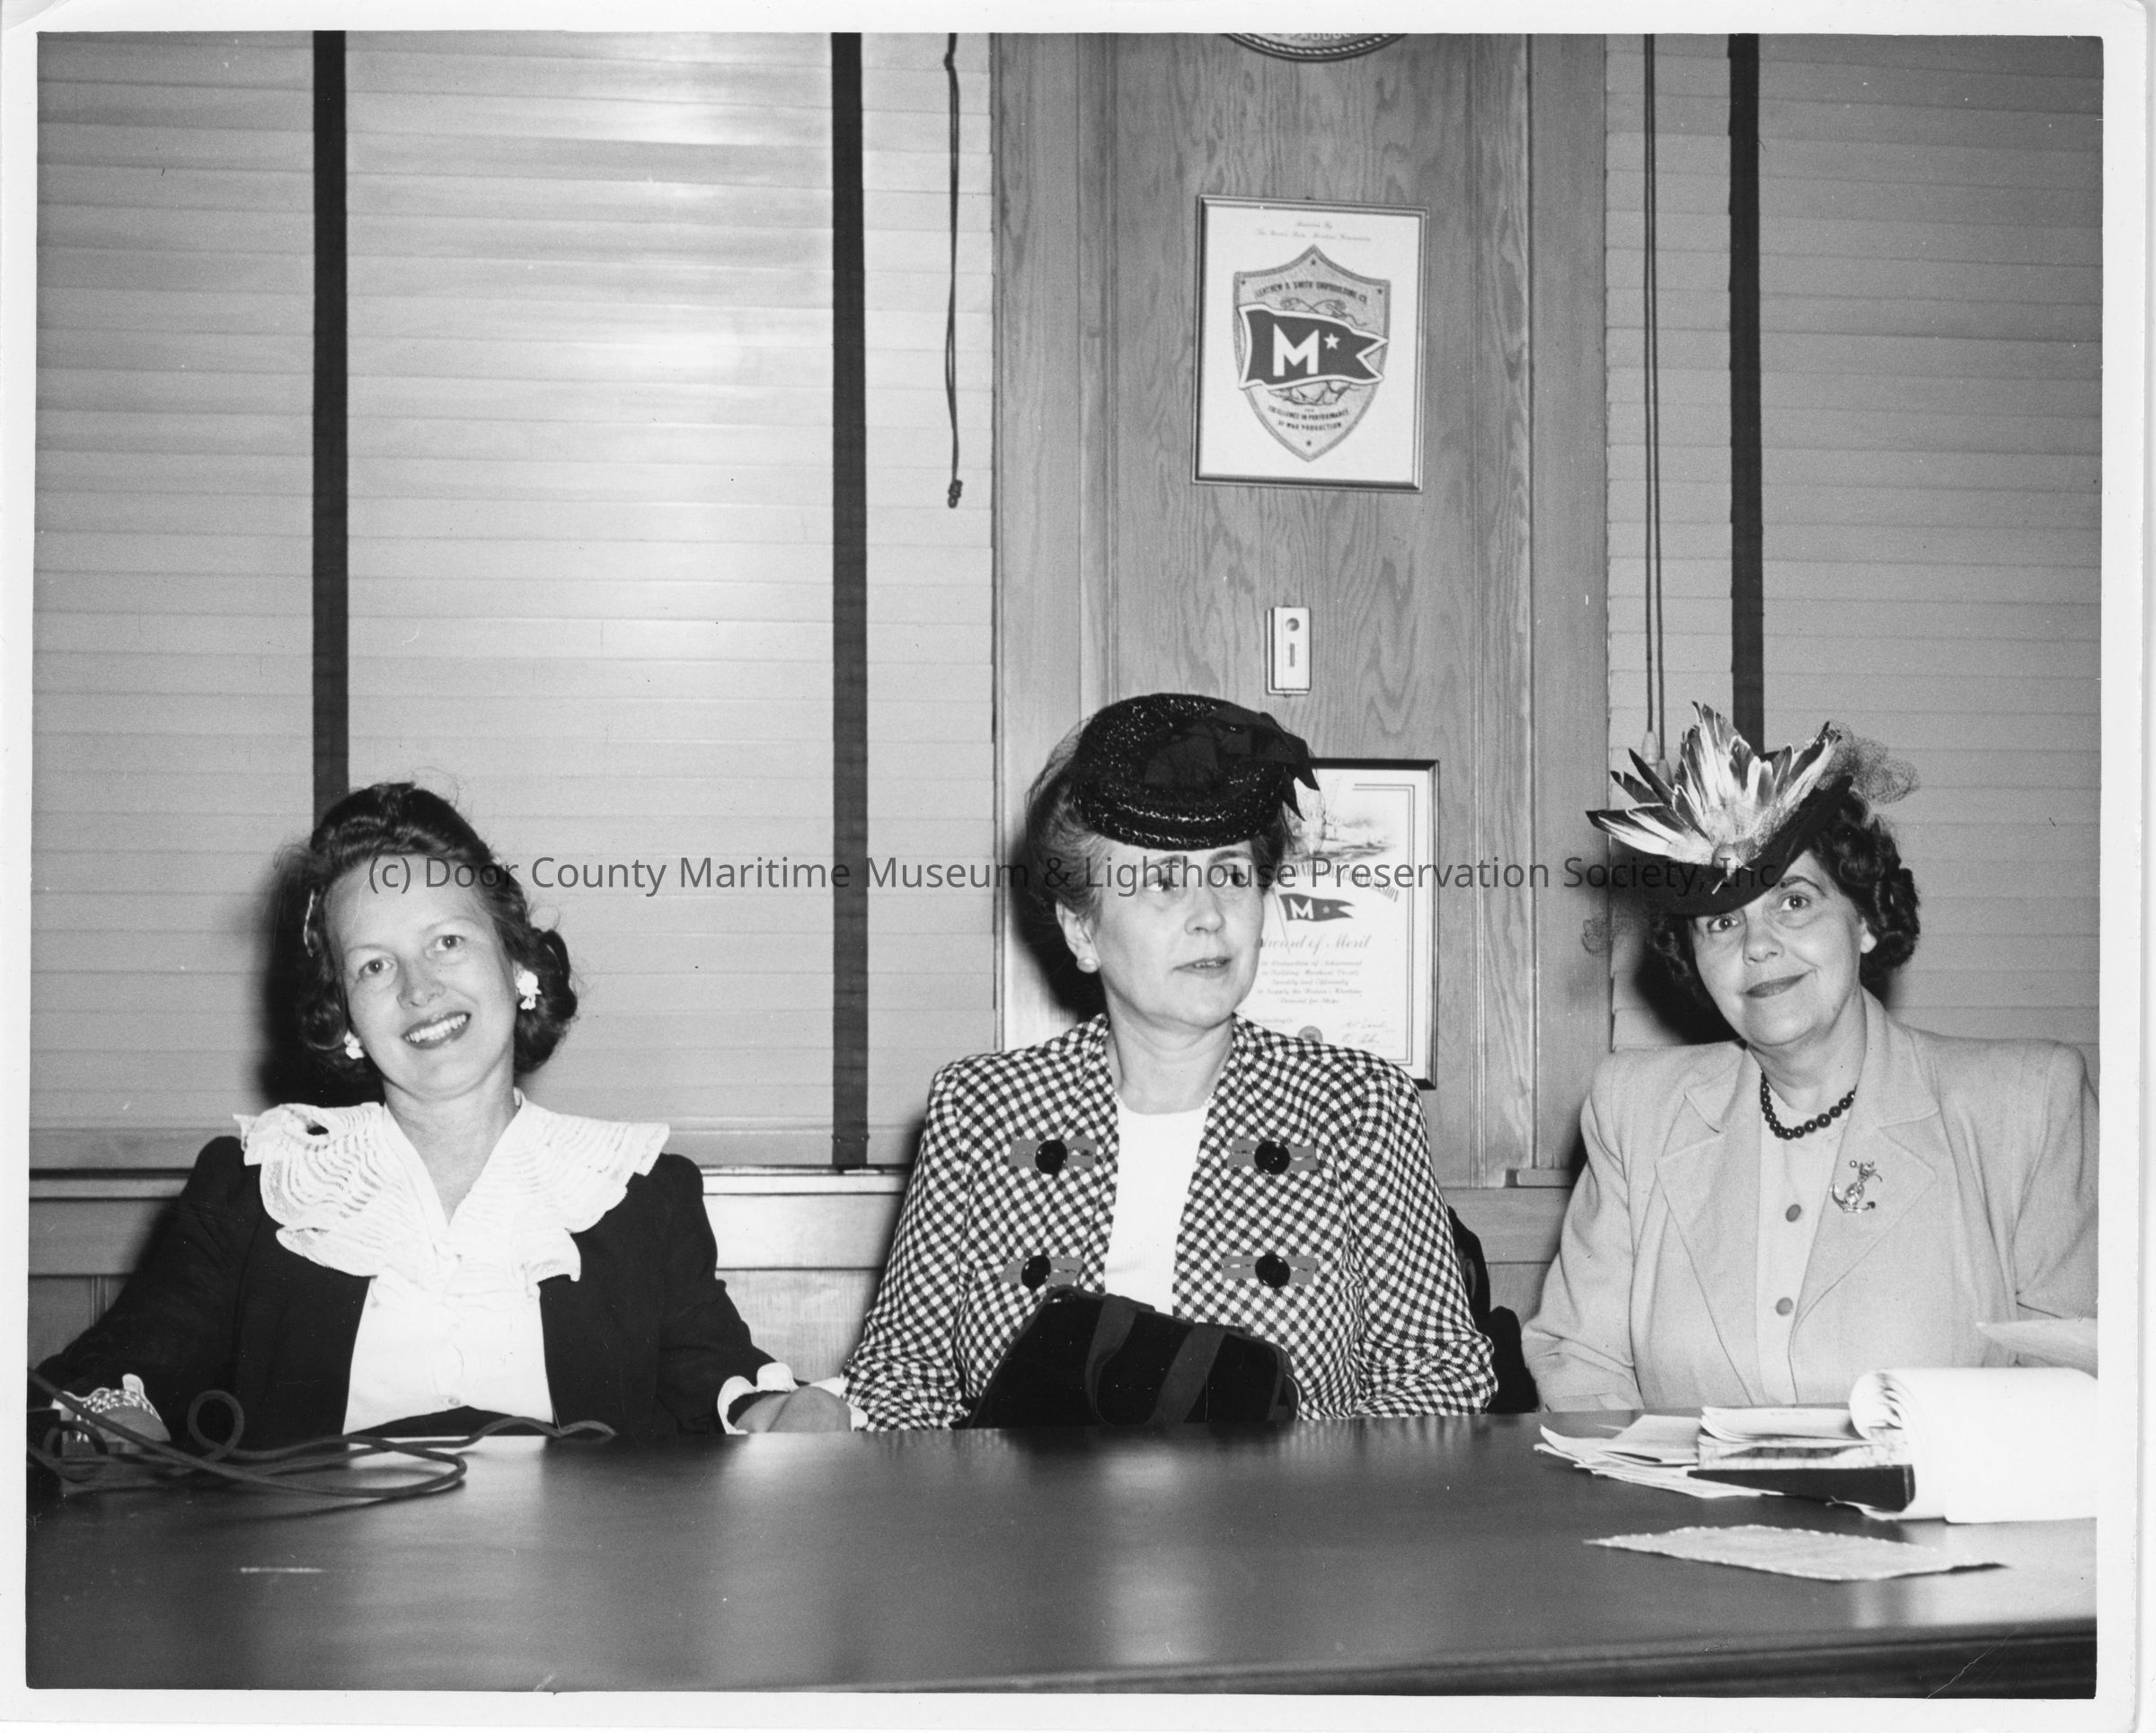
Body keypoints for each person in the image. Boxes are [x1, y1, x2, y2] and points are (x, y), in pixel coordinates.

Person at [37, 783, 850, 1446]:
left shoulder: (639, 1194)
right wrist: (110, 1420)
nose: (420, 989)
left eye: (448, 943)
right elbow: (104, 1381)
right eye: (374, 965)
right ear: (345, 1017)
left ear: (517, 962)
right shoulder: (256, 1188)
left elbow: (728, 1394)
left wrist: (792, 1415)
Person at [844, 694, 1497, 1428]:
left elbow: (1441, 1373)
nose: (1210, 914)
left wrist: (1290, 1480)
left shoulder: (1356, 1102)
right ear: (1082, 929)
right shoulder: (982, 1106)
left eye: (1231, 874)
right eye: (1162, 881)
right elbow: (895, 1378)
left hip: (1288, 1500)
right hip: (1030, 1502)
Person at [1524, 707, 2097, 1410]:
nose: (1757, 945)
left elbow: (2071, 1381)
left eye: (1793, 901)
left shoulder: (2027, 1105)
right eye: (1722, 921)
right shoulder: (1636, 1109)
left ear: (1865, 920)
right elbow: (1580, 1358)